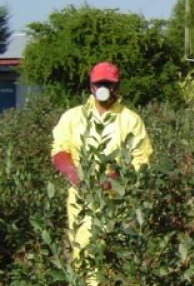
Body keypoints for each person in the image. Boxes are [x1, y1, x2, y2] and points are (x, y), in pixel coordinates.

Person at [51, 61, 153, 257]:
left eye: (109, 84)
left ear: (118, 86)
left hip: (119, 203)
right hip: (81, 200)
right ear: (91, 86)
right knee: (84, 254)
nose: (104, 89)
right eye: (99, 84)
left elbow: (142, 160)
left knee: (120, 258)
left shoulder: (130, 120)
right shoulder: (72, 117)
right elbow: (59, 151)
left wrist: (112, 181)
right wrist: (75, 176)